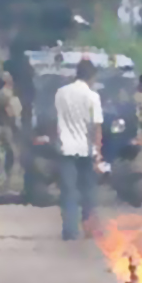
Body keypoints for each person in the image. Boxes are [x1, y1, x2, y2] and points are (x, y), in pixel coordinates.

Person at [55, 59, 103, 241]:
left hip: (65, 148)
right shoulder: (92, 96)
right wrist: (98, 153)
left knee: (68, 190)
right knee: (88, 190)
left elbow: (56, 119)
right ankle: (88, 229)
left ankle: (69, 230)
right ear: (92, 76)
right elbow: (96, 127)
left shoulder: (61, 93)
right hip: (85, 149)